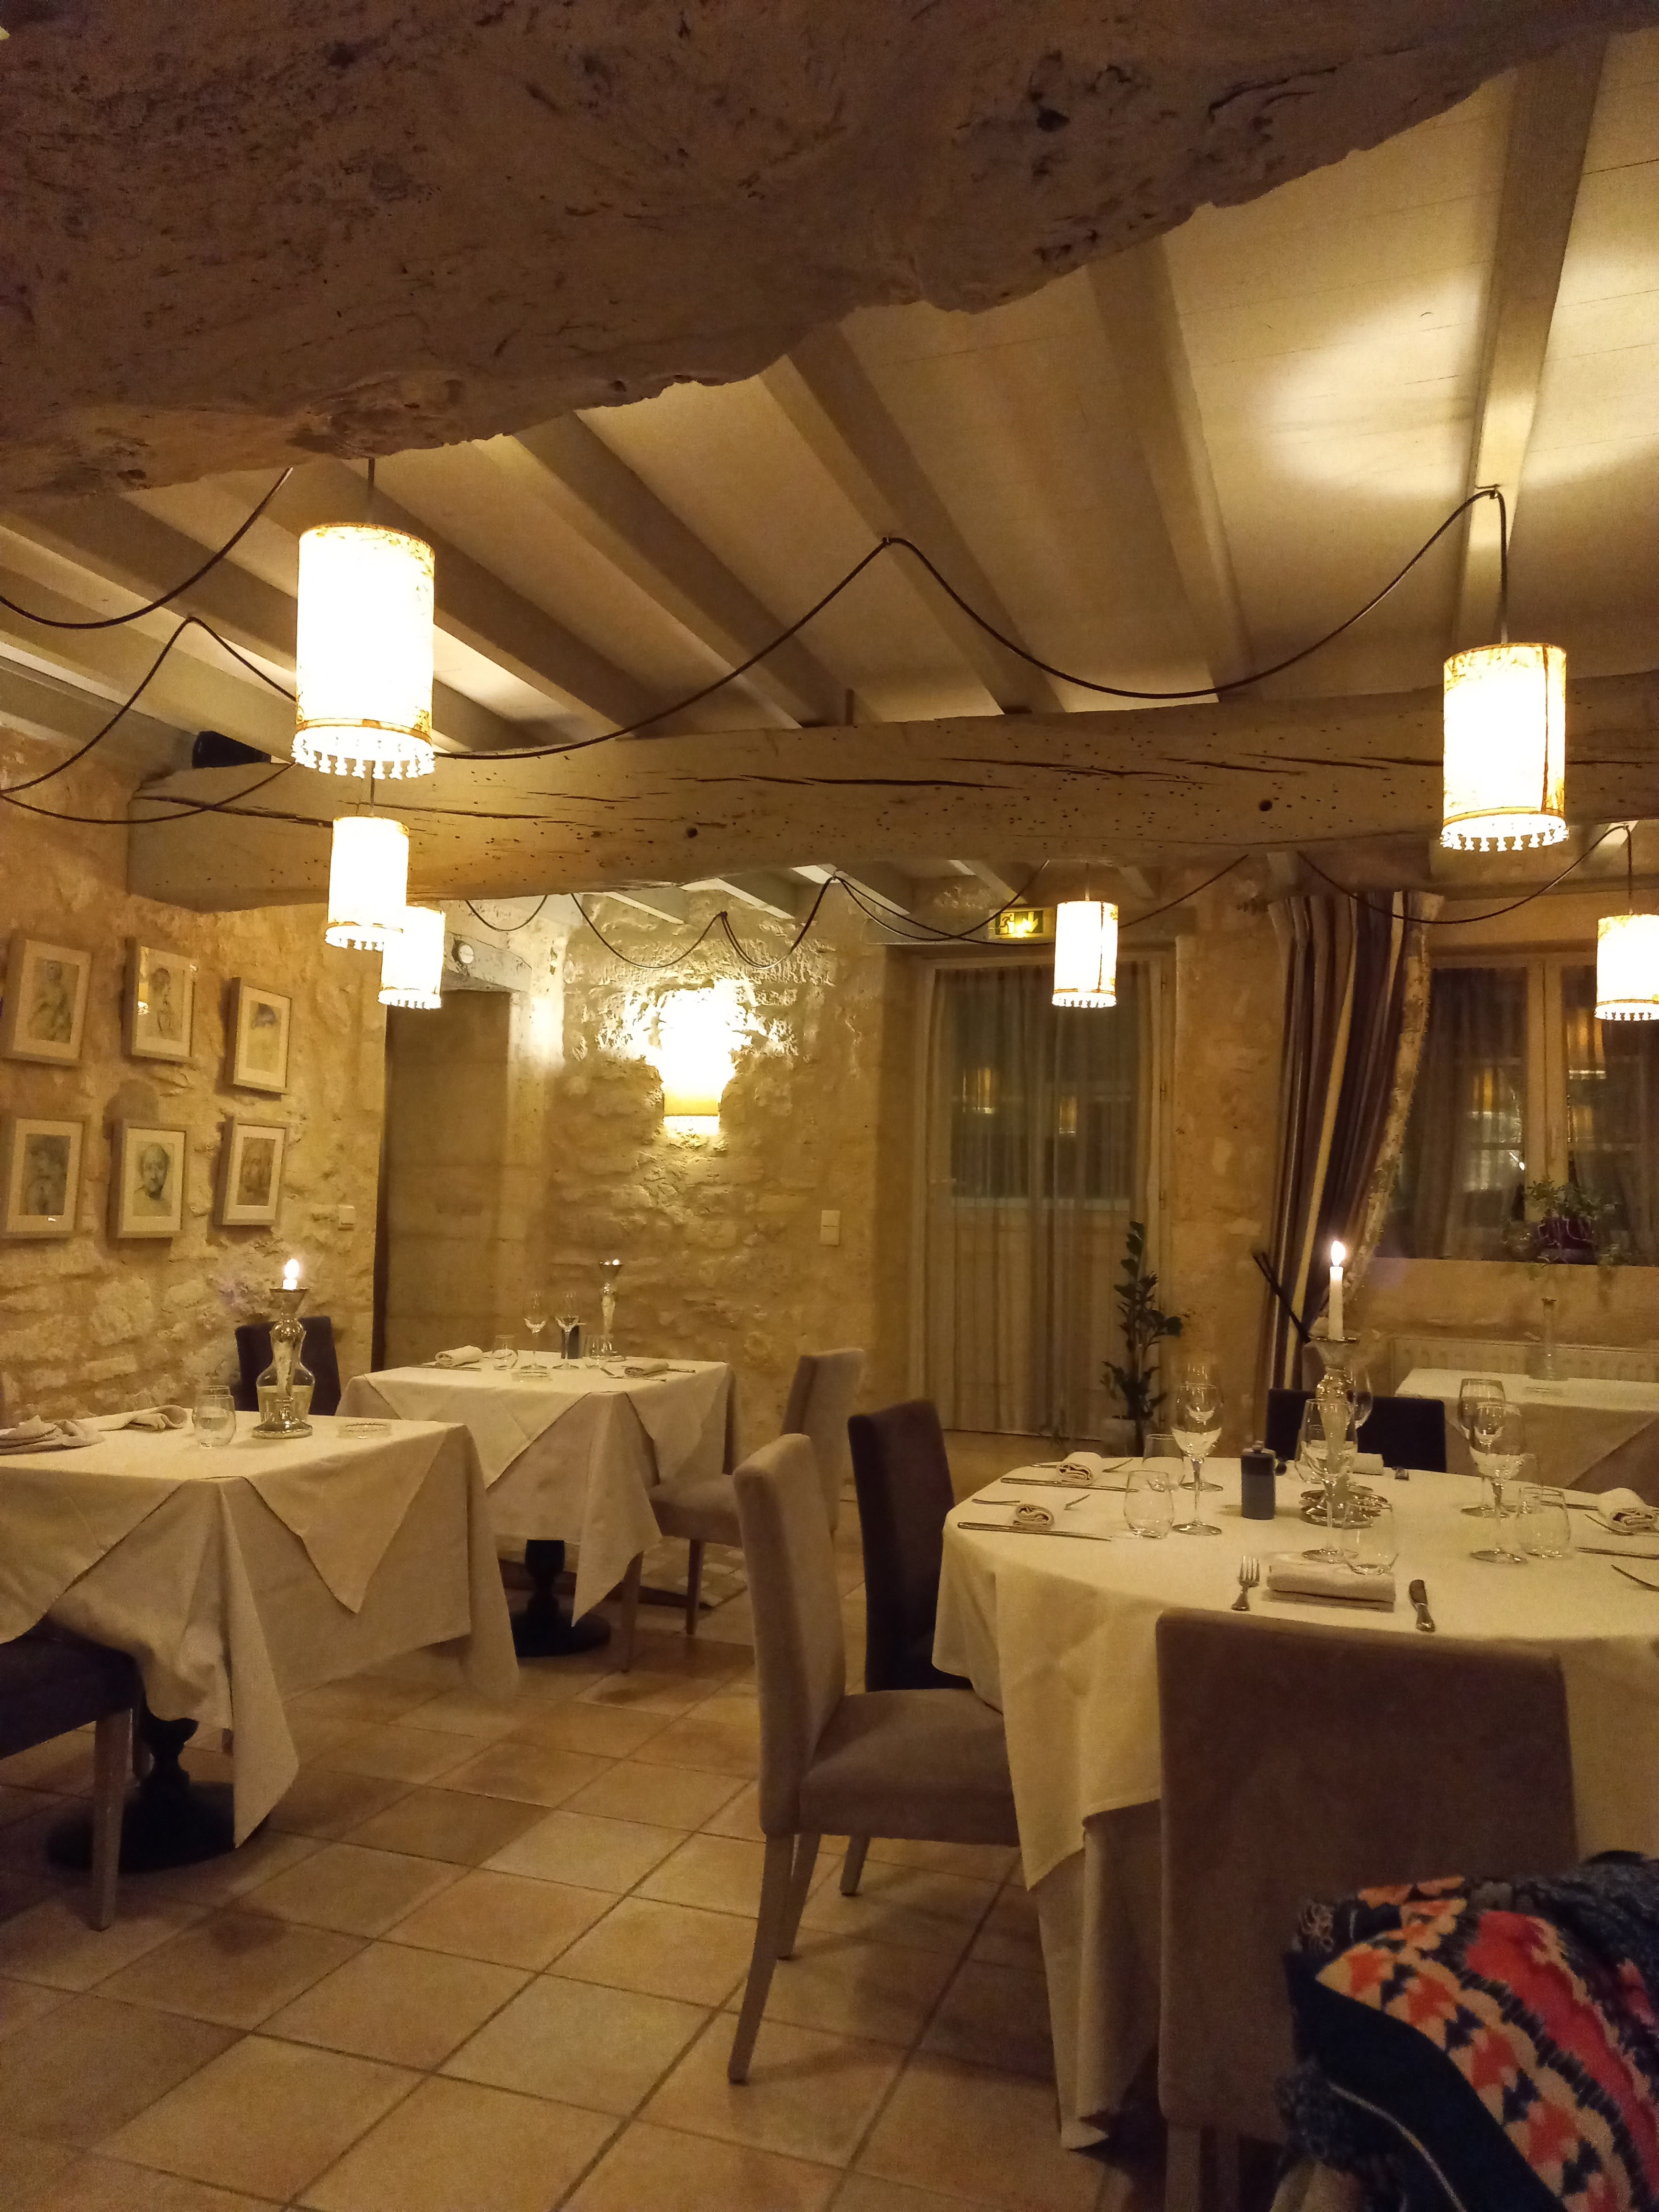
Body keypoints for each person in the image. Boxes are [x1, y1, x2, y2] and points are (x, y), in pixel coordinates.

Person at [133, 1141, 173, 1216]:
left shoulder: (168, 1209)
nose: (154, 1176)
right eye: (149, 1168)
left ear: (167, 1170)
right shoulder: (134, 1203)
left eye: (160, 1168)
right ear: (142, 1171)